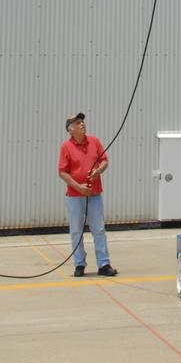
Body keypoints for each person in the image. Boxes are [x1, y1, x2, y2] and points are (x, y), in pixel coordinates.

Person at [57, 113, 118, 277]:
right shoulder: (66, 147)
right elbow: (62, 172)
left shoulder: (95, 141)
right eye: (77, 122)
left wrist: (99, 171)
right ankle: (79, 264)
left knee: (98, 229)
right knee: (76, 230)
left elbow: (104, 160)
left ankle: (104, 264)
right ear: (70, 129)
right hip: (74, 196)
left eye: (82, 121)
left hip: (94, 193)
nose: (82, 123)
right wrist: (78, 187)